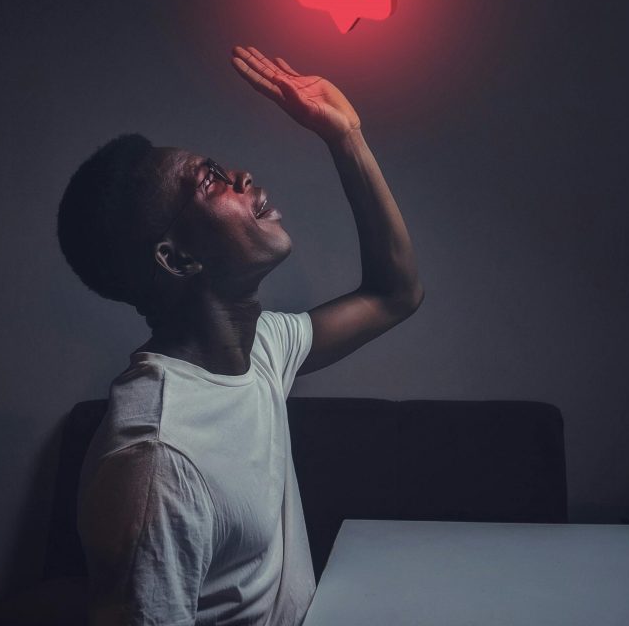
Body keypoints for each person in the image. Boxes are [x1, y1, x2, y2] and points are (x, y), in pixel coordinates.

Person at [56, 45, 424, 626]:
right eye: (212, 182)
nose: (243, 175)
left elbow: (394, 294)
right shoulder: (157, 461)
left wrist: (346, 137)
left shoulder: (260, 351)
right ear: (176, 260)